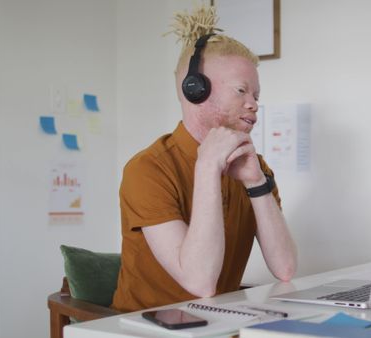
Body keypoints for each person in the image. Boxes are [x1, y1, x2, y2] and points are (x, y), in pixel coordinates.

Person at [111, 6, 297, 312]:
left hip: (219, 323)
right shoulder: (147, 170)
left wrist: (256, 183)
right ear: (195, 91)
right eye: (241, 91)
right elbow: (200, 282)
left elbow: (286, 268)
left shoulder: (256, 168)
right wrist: (208, 167)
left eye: (257, 96)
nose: (253, 105)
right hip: (145, 329)